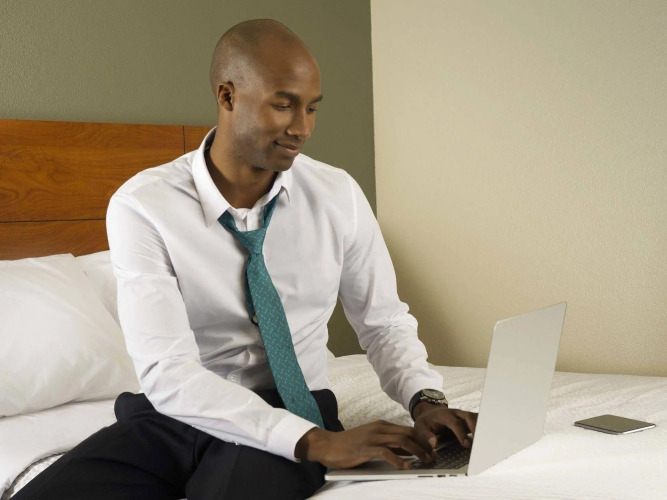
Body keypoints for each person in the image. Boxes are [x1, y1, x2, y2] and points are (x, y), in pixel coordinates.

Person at [13, 19, 476, 500]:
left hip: (294, 411)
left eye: (312, 108)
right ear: (228, 96)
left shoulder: (338, 195)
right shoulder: (144, 206)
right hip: (173, 416)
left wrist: (425, 400)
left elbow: (383, 322)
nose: (302, 128)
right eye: (284, 105)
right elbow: (168, 372)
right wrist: (320, 445)